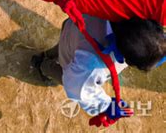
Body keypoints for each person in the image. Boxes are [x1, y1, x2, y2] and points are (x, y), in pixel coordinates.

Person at [32, 15, 165, 126]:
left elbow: (154, 43)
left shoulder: (118, 11)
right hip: (74, 64)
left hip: (74, 27)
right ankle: (41, 65)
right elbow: (76, 88)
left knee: (65, 44)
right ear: (128, 61)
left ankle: (47, 54)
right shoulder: (94, 66)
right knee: (62, 71)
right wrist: (106, 106)